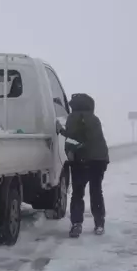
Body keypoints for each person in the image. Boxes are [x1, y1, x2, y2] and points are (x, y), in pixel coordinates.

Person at [56, 93, 109, 238]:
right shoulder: (95, 118)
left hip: (82, 160)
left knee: (78, 193)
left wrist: (60, 130)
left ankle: (76, 224)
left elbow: (73, 137)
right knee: (96, 191)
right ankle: (99, 224)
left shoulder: (73, 117)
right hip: (99, 160)